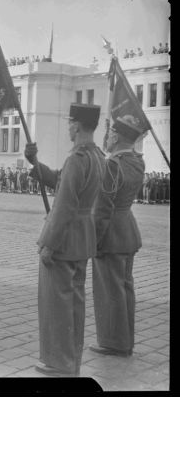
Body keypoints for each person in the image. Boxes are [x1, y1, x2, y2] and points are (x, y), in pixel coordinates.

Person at [24, 103, 105, 376]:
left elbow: (64, 205)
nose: (68, 127)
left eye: (70, 122)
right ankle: (71, 360)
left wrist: (48, 243)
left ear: (78, 125)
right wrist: (35, 163)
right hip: (81, 240)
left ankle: (58, 362)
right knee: (74, 305)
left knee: (56, 305)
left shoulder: (77, 158)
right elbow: (61, 182)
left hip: (64, 240)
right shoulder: (96, 156)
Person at [90, 116, 145, 358]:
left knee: (110, 291)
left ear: (117, 137)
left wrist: (94, 239)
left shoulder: (112, 164)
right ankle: (126, 340)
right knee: (125, 289)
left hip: (111, 233)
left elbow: (102, 208)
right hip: (128, 231)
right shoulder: (136, 161)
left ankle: (113, 343)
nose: (108, 136)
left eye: (111, 132)